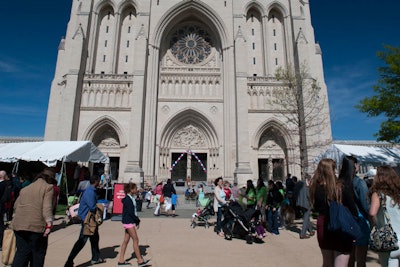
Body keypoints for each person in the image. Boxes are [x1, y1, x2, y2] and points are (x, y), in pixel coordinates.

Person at [310, 158, 358, 267]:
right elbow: (353, 210)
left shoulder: (315, 188)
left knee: (327, 262)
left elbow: (316, 208)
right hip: (341, 224)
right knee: (341, 263)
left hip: (323, 223)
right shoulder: (341, 188)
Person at [11, 168, 55, 267]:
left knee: (22, 253)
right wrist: (49, 223)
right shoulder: (48, 188)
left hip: (19, 225)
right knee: (38, 255)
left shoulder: (25, 189)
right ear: (49, 179)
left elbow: (16, 205)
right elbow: (47, 207)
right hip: (36, 226)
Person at [65, 175, 105, 267]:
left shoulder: (91, 191)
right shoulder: (90, 192)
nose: (99, 183)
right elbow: (92, 207)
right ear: (95, 181)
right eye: (98, 181)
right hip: (87, 221)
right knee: (81, 241)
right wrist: (100, 207)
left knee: (95, 239)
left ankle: (95, 258)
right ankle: (69, 261)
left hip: (90, 220)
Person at [369, 166, 400, 267]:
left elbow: (372, 212)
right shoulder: (397, 194)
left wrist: (373, 226)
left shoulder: (378, 194)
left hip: (389, 240)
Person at [117, 183, 150, 266]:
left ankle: (121, 260)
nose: (136, 190)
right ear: (131, 190)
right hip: (129, 221)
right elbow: (131, 212)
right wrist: (137, 220)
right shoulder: (128, 199)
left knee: (126, 241)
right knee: (136, 240)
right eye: (135, 188)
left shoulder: (130, 198)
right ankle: (140, 260)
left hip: (128, 221)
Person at [347, 156, 370, 267]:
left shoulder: (340, 183)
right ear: (354, 166)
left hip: (346, 223)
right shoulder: (359, 183)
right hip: (359, 222)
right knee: (361, 259)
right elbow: (366, 206)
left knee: (350, 258)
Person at [296, 174, 315, 239]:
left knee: (306, 217)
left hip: (300, 203)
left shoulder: (299, 183)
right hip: (306, 204)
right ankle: (303, 234)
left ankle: (311, 231)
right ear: (308, 179)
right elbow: (309, 196)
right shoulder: (307, 186)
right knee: (306, 218)